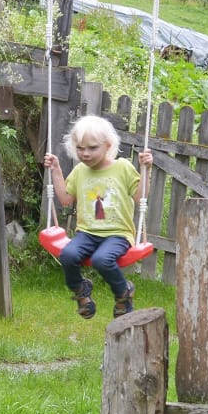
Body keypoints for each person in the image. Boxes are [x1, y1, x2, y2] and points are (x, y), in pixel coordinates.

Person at [42, 115, 153, 319]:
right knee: (67, 255)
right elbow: (65, 199)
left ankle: (123, 293)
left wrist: (146, 170)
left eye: (92, 148)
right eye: (80, 148)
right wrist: (56, 170)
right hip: (87, 233)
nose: (85, 153)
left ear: (107, 146)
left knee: (102, 260)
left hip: (118, 234)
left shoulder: (122, 168)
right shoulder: (80, 171)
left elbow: (140, 197)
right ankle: (81, 292)